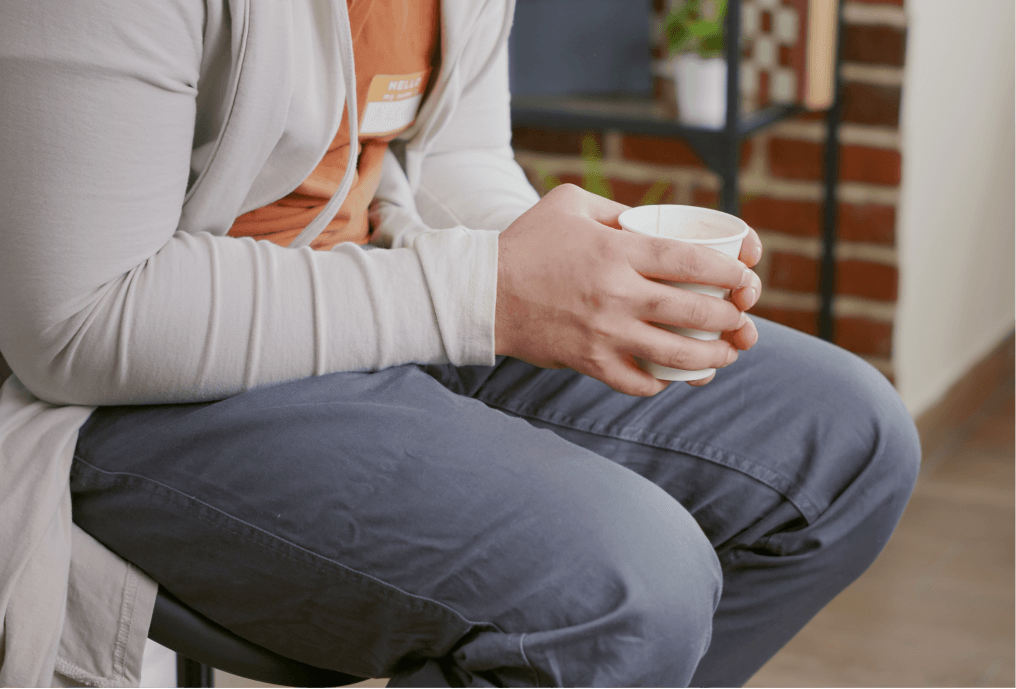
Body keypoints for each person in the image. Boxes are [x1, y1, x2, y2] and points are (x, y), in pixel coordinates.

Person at [0, 1, 920, 686]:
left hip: (372, 284)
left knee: (848, 442)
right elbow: (77, 319)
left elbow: (447, 157)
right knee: (632, 590)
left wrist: (589, 273)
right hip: (129, 382)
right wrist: (491, 291)